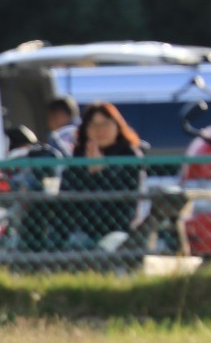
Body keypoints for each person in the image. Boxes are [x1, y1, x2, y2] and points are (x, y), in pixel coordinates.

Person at [57, 101, 145, 249]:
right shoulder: (78, 158)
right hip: (82, 230)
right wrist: (89, 175)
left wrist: (101, 173)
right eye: (94, 125)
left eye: (106, 124)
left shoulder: (129, 156)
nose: (100, 130)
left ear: (117, 126)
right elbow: (67, 202)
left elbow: (125, 207)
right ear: (86, 130)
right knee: (75, 242)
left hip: (119, 230)